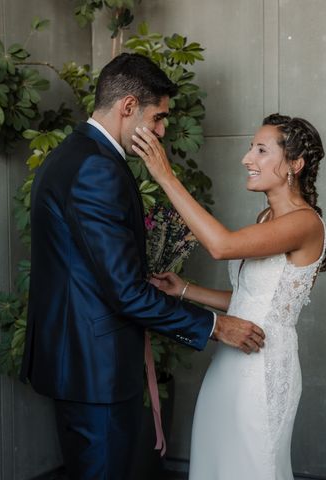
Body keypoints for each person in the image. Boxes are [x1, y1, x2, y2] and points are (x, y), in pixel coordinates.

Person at [19, 53, 265, 480]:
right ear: (129, 106)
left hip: (80, 361)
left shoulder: (75, 154)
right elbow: (125, 292)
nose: (162, 131)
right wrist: (216, 326)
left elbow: (94, 272)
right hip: (95, 369)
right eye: (159, 118)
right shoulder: (97, 167)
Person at [132, 113, 326, 479]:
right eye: (249, 147)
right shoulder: (264, 217)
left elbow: (221, 246)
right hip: (229, 362)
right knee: (217, 465)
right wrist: (185, 290)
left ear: (295, 164)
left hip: (263, 366)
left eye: (260, 149)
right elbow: (249, 301)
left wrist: (165, 175)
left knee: (253, 467)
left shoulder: (305, 223)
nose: (247, 159)